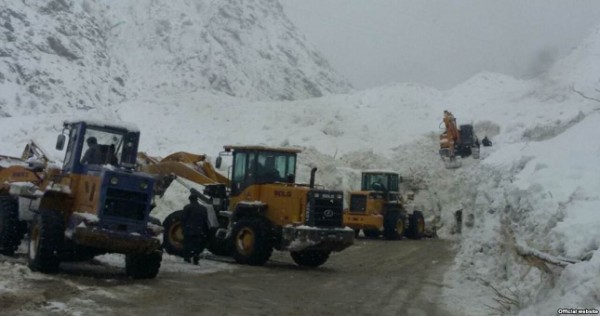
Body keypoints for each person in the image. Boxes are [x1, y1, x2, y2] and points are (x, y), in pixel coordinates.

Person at [180, 193, 209, 265]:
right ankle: (196, 258)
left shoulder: (187, 207)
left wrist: (183, 228)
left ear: (190, 199)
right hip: (199, 230)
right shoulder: (203, 208)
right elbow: (205, 220)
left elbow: (183, 218)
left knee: (187, 244)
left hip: (189, 229)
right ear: (197, 199)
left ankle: (187, 258)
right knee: (196, 245)